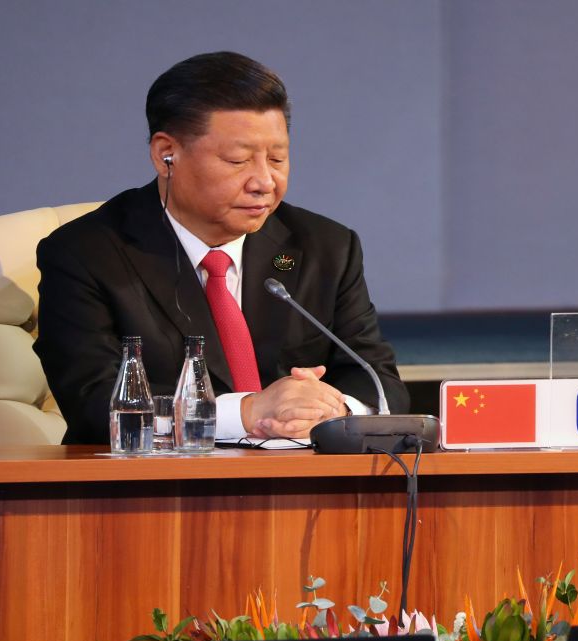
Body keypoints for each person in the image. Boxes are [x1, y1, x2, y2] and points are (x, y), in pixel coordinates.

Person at [35, 51, 408, 444]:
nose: (264, 181)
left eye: (277, 158)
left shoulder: (326, 247)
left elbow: (381, 385)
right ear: (167, 156)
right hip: (153, 493)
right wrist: (248, 412)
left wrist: (335, 412)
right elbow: (94, 406)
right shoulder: (86, 254)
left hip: (303, 488)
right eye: (238, 160)